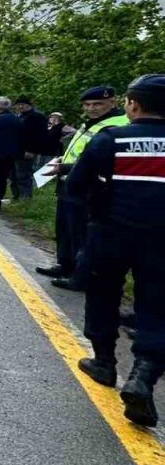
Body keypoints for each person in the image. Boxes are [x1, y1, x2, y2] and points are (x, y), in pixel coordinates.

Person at [67, 74, 165, 427]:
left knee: (103, 293)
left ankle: (104, 362)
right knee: (157, 305)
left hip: (111, 232)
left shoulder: (113, 137)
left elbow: (76, 186)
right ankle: (144, 374)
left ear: (133, 105)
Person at [35, 86, 130, 291]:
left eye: (97, 104)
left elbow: (102, 161)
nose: (91, 108)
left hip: (90, 187)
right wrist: (64, 161)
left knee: (81, 233)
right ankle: (65, 265)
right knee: (65, 228)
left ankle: (81, 275)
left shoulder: (117, 125)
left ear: (113, 103)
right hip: (69, 182)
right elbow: (81, 152)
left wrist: (66, 167)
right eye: (87, 105)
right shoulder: (92, 123)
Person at [11, 96, 49, 201]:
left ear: (28, 105)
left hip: (27, 150)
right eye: (18, 105)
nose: (20, 107)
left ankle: (25, 198)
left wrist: (32, 150)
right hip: (16, 149)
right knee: (13, 174)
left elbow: (39, 135)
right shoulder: (19, 116)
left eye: (22, 105)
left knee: (23, 174)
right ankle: (16, 196)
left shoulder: (37, 117)